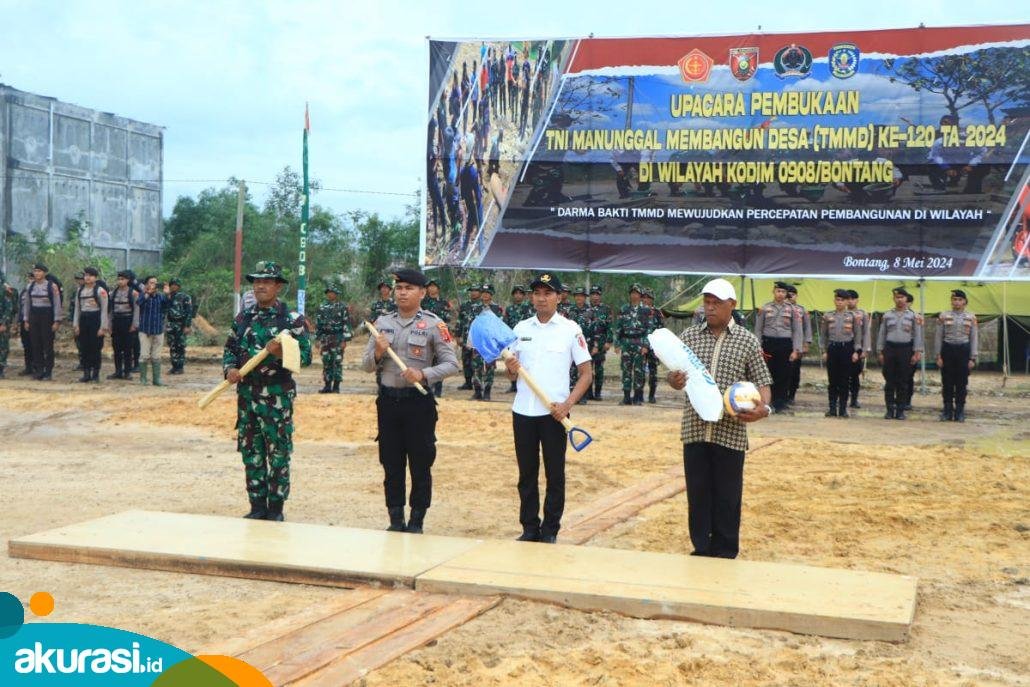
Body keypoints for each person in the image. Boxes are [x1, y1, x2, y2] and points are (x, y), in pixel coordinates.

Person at [666, 278, 772, 559]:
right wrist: (674, 381)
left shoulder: (747, 341)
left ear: (732, 305)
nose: (710, 308)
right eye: (707, 302)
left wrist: (764, 409)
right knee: (698, 494)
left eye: (716, 303)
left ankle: (725, 552)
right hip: (695, 429)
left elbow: (763, 382)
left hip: (731, 431)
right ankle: (701, 548)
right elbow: (674, 376)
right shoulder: (689, 337)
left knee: (727, 496)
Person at [362, 268, 459, 534]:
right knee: (391, 463)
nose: (402, 292)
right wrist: (379, 353)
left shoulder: (434, 324)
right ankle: (395, 519)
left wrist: (424, 374)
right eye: (399, 287)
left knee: (420, 463)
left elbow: (452, 364)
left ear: (422, 292)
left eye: (408, 288)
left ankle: (416, 521)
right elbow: (366, 366)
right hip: (388, 403)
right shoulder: (382, 323)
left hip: (418, 404)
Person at [504, 273, 592, 543]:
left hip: (555, 413)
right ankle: (529, 527)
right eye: (537, 293)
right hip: (523, 412)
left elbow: (586, 374)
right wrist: (509, 370)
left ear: (558, 297)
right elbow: (511, 376)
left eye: (547, 293)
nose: (541, 298)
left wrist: (567, 405)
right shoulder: (520, 329)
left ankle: (550, 530)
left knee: (555, 474)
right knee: (526, 473)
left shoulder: (570, 329)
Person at [223, 261, 312, 522]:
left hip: (276, 397)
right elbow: (229, 349)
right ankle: (256, 505)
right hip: (247, 397)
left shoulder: (291, 320)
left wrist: (281, 351)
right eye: (257, 281)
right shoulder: (243, 318)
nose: (260, 285)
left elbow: (305, 358)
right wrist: (229, 369)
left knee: (278, 452)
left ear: (278, 286)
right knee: (251, 452)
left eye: (267, 281)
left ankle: (275, 508)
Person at [754, 282, 802, 412]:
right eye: (778, 291)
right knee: (768, 373)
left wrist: (796, 349)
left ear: (786, 294)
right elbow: (758, 329)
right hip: (768, 344)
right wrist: (758, 347)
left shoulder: (792, 309)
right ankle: (769, 401)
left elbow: (797, 330)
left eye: (783, 292)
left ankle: (780, 402)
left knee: (784, 373)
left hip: (785, 344)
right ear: (773, 292)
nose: (780, 294)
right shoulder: (765, 308)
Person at [877, 287, 923, 420]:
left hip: (905, 350)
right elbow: (882, 334)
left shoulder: (913, 316)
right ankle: (890, 409)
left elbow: (917, 334)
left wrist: (917, 352)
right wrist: (880, 351)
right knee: (889, 381)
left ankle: (901, 410)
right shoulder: (887, 315)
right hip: (890, 349)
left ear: (906, 299)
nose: (900, 300)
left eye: (902, 297)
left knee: (903, 381)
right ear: (894, 298)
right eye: (897, 297)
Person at [934, 289, 978, 422]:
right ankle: (947, 411)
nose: (956, 302)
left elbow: (974, 338)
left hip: (963, 350)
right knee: (947, 382)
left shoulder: (971, 317)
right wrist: (938, 356)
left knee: (961, 383)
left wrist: (972, 357)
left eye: (959, 300)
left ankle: (960, 411)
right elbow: (938, 336)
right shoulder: (943, 316)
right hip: (947, 349)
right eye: (954, 299)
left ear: (965, 301)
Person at [820, 289, 864, 417]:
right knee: (832, 380)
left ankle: (843, 409)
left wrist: (856, 352)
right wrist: (824, 351)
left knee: (844, 380)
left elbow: (857, 335)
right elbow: (823, 335)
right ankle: (832, 408)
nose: (839, 302)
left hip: (847, 349)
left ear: (846, 302)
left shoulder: (853, 316)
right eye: (837, 300)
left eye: (842, 300)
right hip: (833, 348)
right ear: (834, 300)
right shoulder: (828, 316)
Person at [21, 263, 62, 381]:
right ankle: (39, 370)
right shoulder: (30, 286)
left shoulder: (52, 286)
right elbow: (27, 304)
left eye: (39, 271)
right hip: (34, 316)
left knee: (47, 345)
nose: (36, 273)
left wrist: (56, 320)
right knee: (35, 344)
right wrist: (26, 320)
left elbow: (57, 304)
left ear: (44, 273)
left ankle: (48, 371)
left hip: (47, 317)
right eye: (35, 271)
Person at [615, 283, 654, 406]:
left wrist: (645, 345)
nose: (634, 295)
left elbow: (649, 329)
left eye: (636, 293)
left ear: (640, 295)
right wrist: (617, 343)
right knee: (626, 370)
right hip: (626, 343)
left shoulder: (646, 310)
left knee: (639, 371)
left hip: (639, 343)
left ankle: (637, 397)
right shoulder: (624, 309)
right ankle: (626, 397)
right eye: (632, 293)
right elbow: (619, 327)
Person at [72, 267, 110, 383]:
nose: (87, 277)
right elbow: (77, 309)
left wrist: (103, 327)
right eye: (86, 275)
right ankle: (86, 373)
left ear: (95, 277)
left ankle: (95, 375)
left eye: (90, 275)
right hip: (84, 320)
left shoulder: (100, 291)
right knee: (84, 348)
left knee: (95, 349)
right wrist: (76, 325)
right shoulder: (80, 290)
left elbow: (104, 310)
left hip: (96, 319)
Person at [316, 282, 352, 394]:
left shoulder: (342, 307)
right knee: (326, 361)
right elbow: (319, 324)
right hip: (325, 338)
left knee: (337, 361)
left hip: (338, 337)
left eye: (333, 292)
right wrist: (318, 339)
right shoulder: (322, 307)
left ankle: (336, 387)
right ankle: (327, 386)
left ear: (336, 294)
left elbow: (346, 323)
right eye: (329, 292)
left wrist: (345, 340)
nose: (330, 294)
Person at [470, 283, 503, 401]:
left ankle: (487, 392)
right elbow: (472, 324)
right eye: (483, 293)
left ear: (491, 294)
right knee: (476, 367)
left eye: (487, 293)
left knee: (489, 367)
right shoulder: (475, 307)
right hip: (478, 342)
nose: (484, 295)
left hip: (490, 343)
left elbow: (499, 325)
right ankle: (477, 391)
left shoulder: (497, 308)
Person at [421, 278, 453, 398]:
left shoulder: (444, 303)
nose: (431, 288)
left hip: (440, 335)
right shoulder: (422, 302)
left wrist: (446, 338)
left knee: (440, 362)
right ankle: (427, 387)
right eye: (429, 286)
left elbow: (447, 321)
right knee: (426, 361)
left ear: (438, 288)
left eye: (434, 286)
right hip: (424, 335)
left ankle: (438, 389)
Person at [136, 276, 170, 386]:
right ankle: (143, 379)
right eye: (151, 282)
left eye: (155, 283)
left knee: (156, 356)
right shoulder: (142, 295)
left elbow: (168, 306)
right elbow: (138, 303)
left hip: (158, 329)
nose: (154, 285)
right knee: (144, 355)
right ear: (146, 284)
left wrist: (167, 294)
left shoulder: (161, 297)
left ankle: (157, 379)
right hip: (145, 330)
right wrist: (147, 293)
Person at [107, 270, 140, 380]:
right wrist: (109, 325)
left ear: (128, 280)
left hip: (128, 321)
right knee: (116, 348)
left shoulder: (133, 293)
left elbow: (136, 310)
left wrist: (134, 324)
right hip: (117, 321)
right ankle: (118, 371)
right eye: (119, 279)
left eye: (123, 279)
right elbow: (110, 310)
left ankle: (127, 372)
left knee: (127, 348)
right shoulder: (113, 293)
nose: (120, 281)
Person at [566, 287, 595, 404]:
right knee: (571, 370)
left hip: (585, 345)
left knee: (584, 371)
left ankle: (582, 396)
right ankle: (571, 396)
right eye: (577, 295)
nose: (579, 298)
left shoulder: (591, 311)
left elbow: (596, 329)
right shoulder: (569, 311)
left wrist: (596, 345)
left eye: (581, 295)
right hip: (571, 343)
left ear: (585, 297)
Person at [784, 285, 811, 407]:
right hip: (784, 344)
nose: (790, 297)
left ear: (796, 296)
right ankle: (781, 394)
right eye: (788, 295)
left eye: (792, 295)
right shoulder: (782, 309)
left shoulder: (801, 310)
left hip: (797, 345)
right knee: (782, 370)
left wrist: (806, 344)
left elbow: (807, 328)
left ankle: (791, 395)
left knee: (794, 371)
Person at [503, 285, 532, 393]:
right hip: (512, 338)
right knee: (512, 360)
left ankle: (524, 383)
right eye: (516, 293)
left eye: (520, 293)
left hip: (525, 338)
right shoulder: (510, 308)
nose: (518, 295)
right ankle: (513, 384)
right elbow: (505, 323)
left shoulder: (528, 308)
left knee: (524, 361)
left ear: (523, 296)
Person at [845, 290, 870, 408]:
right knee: (842, 374)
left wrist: (865, 349)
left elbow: (866, 333)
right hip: (844, 345)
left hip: (857, 347)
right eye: (848, 299)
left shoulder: (862, 314)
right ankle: (842, 397)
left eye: (852, 299)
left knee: (854, 375)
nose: (850, 301)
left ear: (857, 300)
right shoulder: (841, 313)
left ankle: (854, 399)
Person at [587, 286, 613, 400]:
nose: (595, 296)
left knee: (599, 370)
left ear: (600, 296)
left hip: (601, 344)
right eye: (593, 294)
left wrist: (609, 341)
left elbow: (610, 327)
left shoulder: (606, 309)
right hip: (587, 344)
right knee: (587, 370)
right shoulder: (586, 309)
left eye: (597, 294)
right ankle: (588, 393)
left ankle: (597, 393)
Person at [641, 288, 666, 403]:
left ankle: (652, 395)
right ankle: (639, 395)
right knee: (639, 371)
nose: (646, 300)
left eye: (648, 298)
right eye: (644, 297)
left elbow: (661, 330)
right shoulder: (638, 311)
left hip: (653, 348)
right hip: (641, 346)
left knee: (653, 372)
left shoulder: (657, 313)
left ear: (652, 299)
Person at [166, 278, 194, 375]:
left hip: (181, 324)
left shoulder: (185, 297)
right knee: (172, 345)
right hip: (171, 323)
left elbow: (189, 312)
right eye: (172, 284)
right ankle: (174, 366)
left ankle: (180, 367)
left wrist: (187, 325)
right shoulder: (168, 297)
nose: (173, 286)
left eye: (175, 284)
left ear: (179, 286)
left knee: (180, 346)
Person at [456, 285, 481, 390]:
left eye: (476, 291)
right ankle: (467, 383)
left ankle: (478, 383)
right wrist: (458, 336)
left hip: (479, 338)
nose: (473, 293)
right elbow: (459, 321)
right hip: (466, 338)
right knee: (466, 360)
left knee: (477, 362)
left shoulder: (483, 306)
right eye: (472, 291)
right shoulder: (464, 306)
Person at [0, 271, 16, 379]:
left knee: (2, 346)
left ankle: (1, 369)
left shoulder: (4, 290)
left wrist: (4, 323)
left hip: (1, 323)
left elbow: (9, 308)